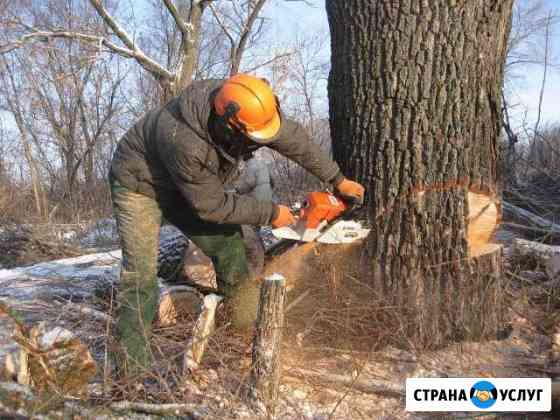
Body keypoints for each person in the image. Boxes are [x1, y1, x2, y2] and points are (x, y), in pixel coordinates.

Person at [109, 74, 365, 374]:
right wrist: (270, 213)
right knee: (140, 275)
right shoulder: (185, 140)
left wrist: (337, 179)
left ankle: (244, 330)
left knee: (230, 247)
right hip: (140, 184)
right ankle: (130, 373)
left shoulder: (246, 106)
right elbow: (212, 206)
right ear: (228, 124)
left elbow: (293, 138)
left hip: (189, 182)